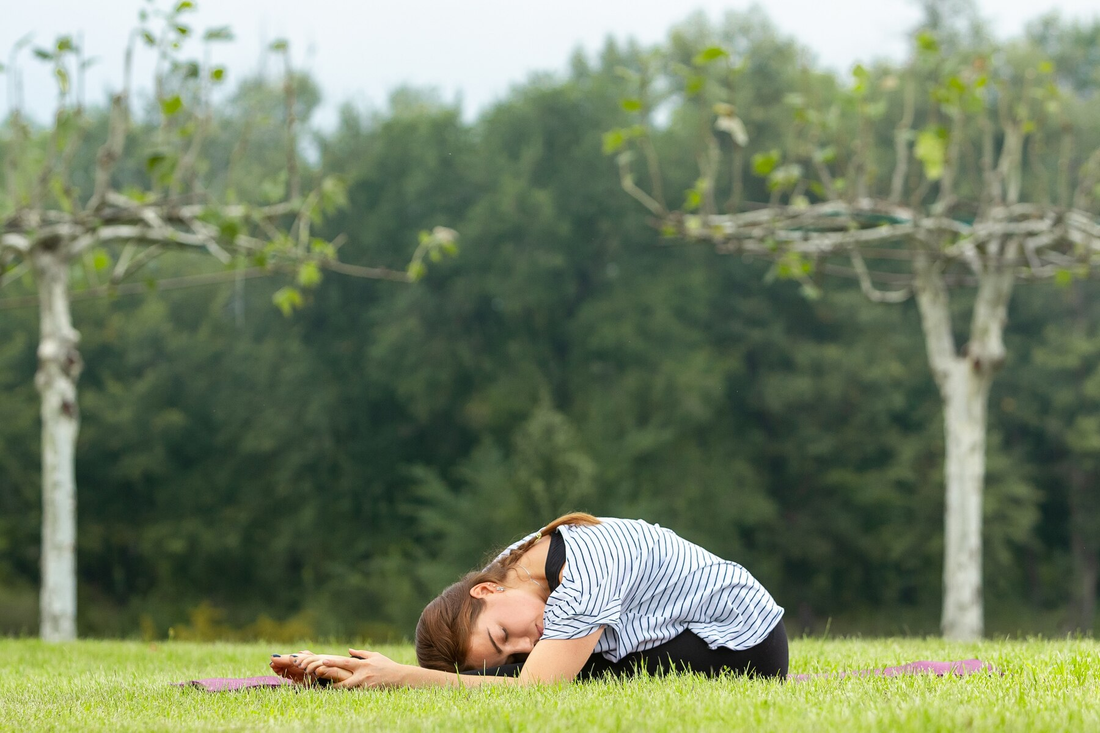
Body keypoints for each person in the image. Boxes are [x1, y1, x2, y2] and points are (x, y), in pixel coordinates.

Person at [270, 513, 787, 689]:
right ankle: (347, 674)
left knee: (524, 684)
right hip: (673, 637)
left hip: (738, 649)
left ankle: (377, 678)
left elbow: (533, 692)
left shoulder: (583, 572)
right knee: (493, 679)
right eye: (512, 646)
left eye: (502, 634)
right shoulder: (519, 567)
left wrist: (402, 677)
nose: (525, 640)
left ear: (486, 590)